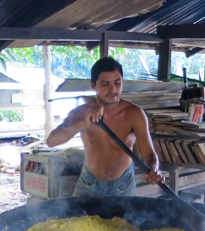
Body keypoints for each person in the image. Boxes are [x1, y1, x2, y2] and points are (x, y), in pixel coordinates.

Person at [46, 57, 164, 196]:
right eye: (105, 84)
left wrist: (153, 169)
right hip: (88, 183)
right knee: (77, 218)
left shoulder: (134, 114)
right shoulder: (81, 113)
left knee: (126, 219)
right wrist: (83, 123)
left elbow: (149, 153)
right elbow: (51, 142)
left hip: (123, 184)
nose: (112, 89)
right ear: (93, 85)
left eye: (117, 83)